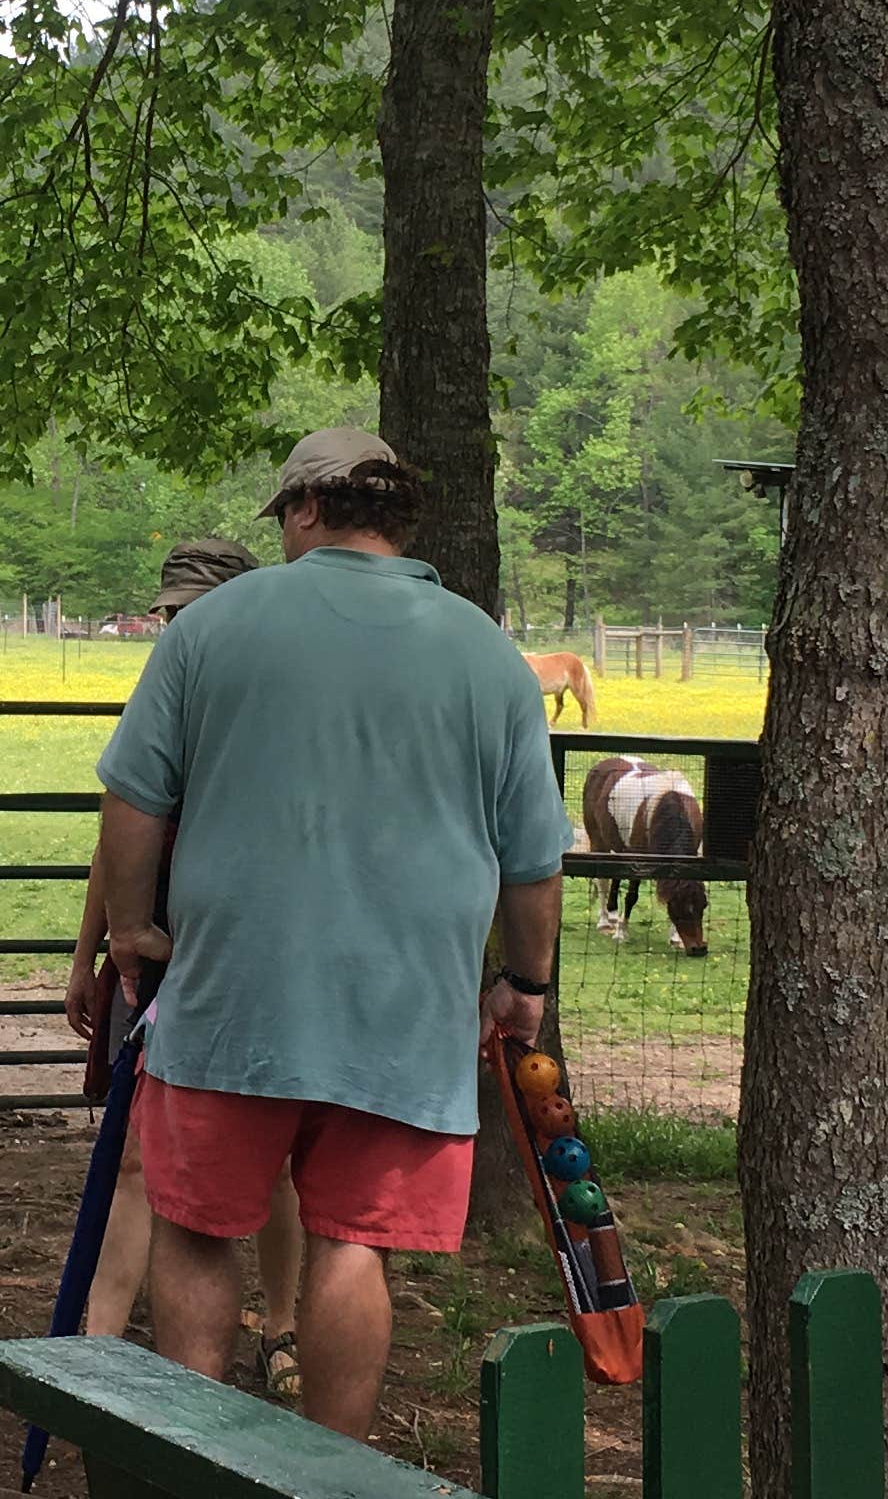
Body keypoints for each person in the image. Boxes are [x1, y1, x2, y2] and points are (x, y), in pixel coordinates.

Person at [84, 426, 565, 1439]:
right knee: (354, 1243)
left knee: (197, 1227)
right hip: (405, 1009)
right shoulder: (489, 654)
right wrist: (526, 982)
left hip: (230, 992)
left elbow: (134, 804)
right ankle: (333, 1485)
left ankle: (199, 1465)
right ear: (400, 518)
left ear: (304, 509)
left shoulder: (213, 628)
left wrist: (128, 929)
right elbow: (532, 862)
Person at [60, 536, 305, 1394]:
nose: (175, 626)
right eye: (169, 612)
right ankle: (97, 1341)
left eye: (191, 611)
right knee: (133, 1149)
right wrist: (90, 952)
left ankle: (284, 1330)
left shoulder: (272, 707)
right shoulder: (163, 691)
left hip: (242, 949)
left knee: (269, 1158)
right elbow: (116, 832)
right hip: (152, 953)